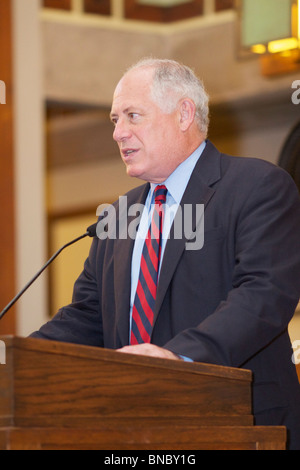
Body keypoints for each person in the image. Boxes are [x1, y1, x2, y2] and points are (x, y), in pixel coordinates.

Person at [30, 58, 300, 449]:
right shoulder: (121, 213)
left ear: (184, 114)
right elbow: (88, 315)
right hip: (136, 431)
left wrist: (178, 359)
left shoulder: (257, 186)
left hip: (241, 423)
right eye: (114, 120)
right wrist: (21, 359)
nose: (119, 133)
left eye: (132, 116)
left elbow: (263, 295)